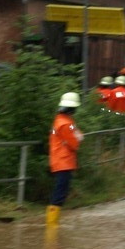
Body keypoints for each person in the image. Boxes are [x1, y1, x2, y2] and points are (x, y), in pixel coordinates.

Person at [47, 91, 84, 225]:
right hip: (63, 161)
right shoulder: (65, 123)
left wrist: (77, 136)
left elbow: (74, 134)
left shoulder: (62, 120)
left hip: (61, 160)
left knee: (60, 191)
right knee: (60, 193)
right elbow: (74, 142)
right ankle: (51, 225)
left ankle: (52, 224)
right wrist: (78, 138)